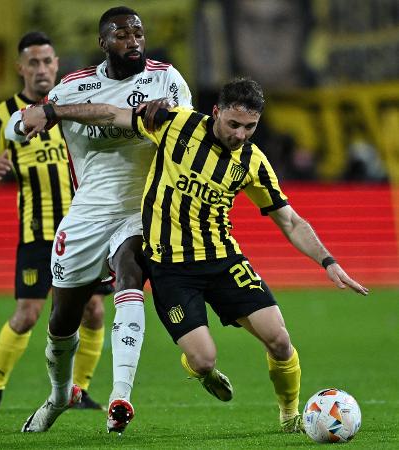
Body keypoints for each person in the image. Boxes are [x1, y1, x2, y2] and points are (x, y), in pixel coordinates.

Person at [19, 77, 369, 433]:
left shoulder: (253, 162)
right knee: (203, 360)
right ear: (215, 112)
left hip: (223, 260)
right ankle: (203, 372)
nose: (240, 134)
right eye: (233, 124)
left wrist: (329, 261)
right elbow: (109, 114)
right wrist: (52, 111)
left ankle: (290, 415)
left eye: (250, 127)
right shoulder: (176, 125)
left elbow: (290, 221)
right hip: (171, 269)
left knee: (279, 339)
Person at [5, 7, 192, 433]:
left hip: (142, 208)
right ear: (103, 43)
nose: (133, 41)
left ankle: (119, 397)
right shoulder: (74, 88)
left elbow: (181, 136)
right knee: (61, 320)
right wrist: (29, 118)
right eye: (121, 34)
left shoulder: (168, 80)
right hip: (87, 214)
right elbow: (17, 129)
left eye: (138, 32)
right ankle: (59, 395)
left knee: (132, 271)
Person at [0, 31, 112, 414]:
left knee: (93, 310)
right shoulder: (3, 115)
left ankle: (80, 390)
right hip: (37, 234)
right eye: (34, 63)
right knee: (27, 314)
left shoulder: (73, 106)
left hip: (83, 232)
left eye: (47, 61)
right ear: (20, 68)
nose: (42, 69)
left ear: (57, 65)